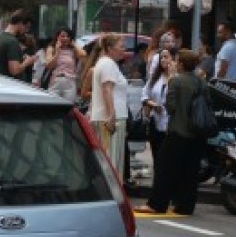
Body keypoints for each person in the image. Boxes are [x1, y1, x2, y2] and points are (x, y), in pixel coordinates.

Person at [137, 49, 207, 215]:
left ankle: (157, 203)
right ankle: (185, 205)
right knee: (190, 170)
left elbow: (170, 107)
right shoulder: (201, 82)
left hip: (177, 131)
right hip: (197, 132)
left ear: (181, 64)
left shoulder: (176, 81)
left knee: (164, 167)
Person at [89, 33, 130, 168]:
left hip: (105, 118)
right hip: (110, 120)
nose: (124, 49)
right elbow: (107, 90)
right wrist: (111, 115)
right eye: (121, 46)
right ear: (110, 48)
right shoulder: (108, 64)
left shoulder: (104, 63)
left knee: (109, 161)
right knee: (111, 163)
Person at [141, 49, 174, 159]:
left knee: (169, 156)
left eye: (166, 57)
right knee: (157, 153)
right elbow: (144, 96)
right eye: (161, 57)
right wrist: (153, 105)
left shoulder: (177, 78)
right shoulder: (154, 78)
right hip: (155, 121)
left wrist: (171, 75)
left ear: (173, 59)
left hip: (172, 124)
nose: (163, 60)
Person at [41, 27, 84, 101]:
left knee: (68, 106)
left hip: (69, 81)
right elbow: (49, 66)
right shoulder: (51, 48)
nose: (65, 38)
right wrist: (57, 52)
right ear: (57, 37)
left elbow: (83, 55)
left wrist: (73, 45)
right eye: (63, 36)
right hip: (55, 80)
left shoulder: (73, 50)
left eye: (68, 36)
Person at [0, 10, 34, 79]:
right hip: (12, 85)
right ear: (20, 23)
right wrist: (27, 62)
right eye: (26, 27)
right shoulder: (12, 41)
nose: (26, 31)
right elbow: (14, 70)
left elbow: (3, 61)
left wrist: (20, 58)